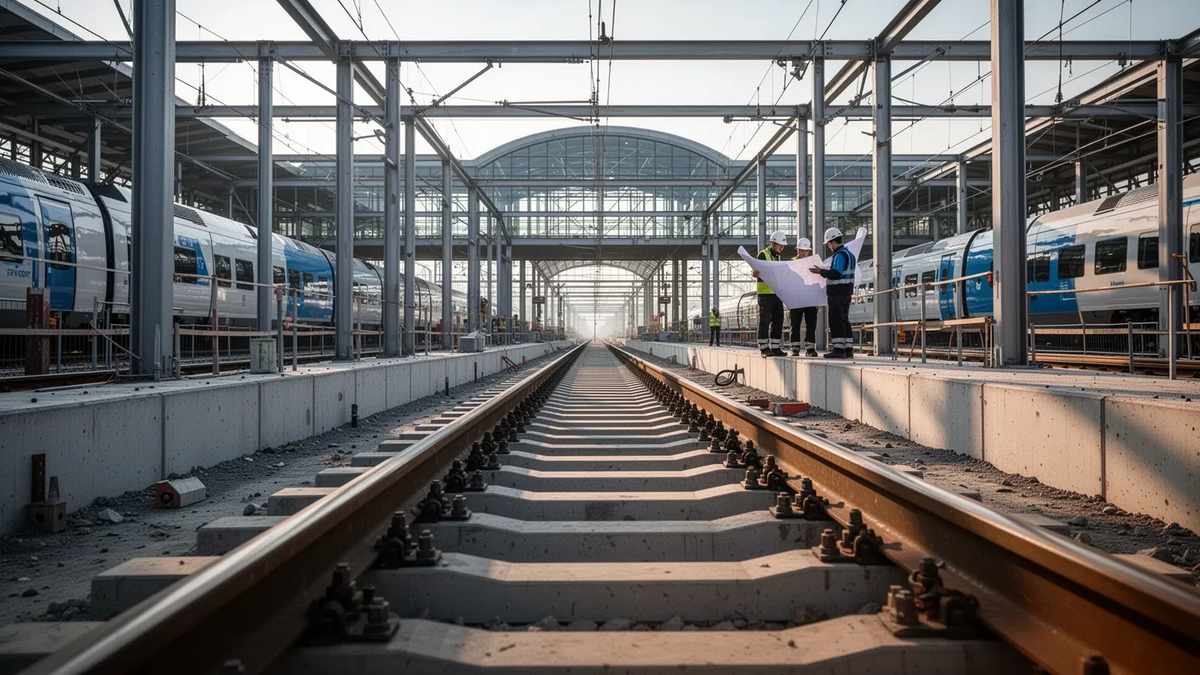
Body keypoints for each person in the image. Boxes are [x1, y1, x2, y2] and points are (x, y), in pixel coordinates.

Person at [809, 227, 856, 358]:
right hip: (846, 292)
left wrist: (821, 271)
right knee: (844, 320)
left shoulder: (839, 255)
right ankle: (848, 350)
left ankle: (839, 350)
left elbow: (836, 273)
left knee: (836, 320)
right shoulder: (850, 255)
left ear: (833, 242)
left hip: (837, 292)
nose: (829, 247)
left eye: (829, 244)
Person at [752, 230, 789, 357]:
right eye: (779, 245)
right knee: (765, 321)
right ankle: (763, 347)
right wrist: (754, 273)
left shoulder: (777, 257)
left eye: (783, 246)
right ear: (772, 243)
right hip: (765, 294)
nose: (781, 248)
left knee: (778, 320)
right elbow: (756, 270)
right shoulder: (763, 254)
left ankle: (775, 347)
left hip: (776, 293)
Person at [789, 237, 819, 357]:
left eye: (805, 251)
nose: (803, 253)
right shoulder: (791, 262)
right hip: (796, 298)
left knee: (811, 324)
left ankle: (810, 349)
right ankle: (795, 348)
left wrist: (817, 300)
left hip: (810, 298)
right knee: (795, 324)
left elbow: (817, 281)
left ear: (809, 251)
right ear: (797, 250)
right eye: (801, 250)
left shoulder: (813, 263)